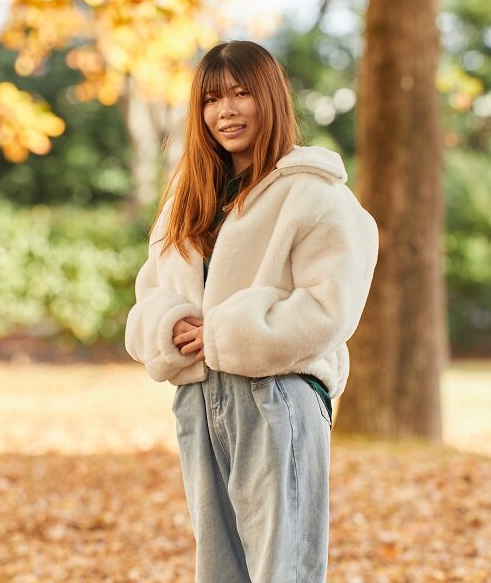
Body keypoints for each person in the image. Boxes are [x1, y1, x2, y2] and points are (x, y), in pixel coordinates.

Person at [124, 40, 379, 582]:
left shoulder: (313, 192)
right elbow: (150, 292)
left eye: (241, 94)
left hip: (275, 394)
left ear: (270, 98)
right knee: (219, 570)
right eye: (211, 99)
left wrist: (221, 333)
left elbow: (329, 307)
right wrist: (170, 325)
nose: (226, 111)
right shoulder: (187, 199)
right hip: (199, 396)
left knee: (281, 568)